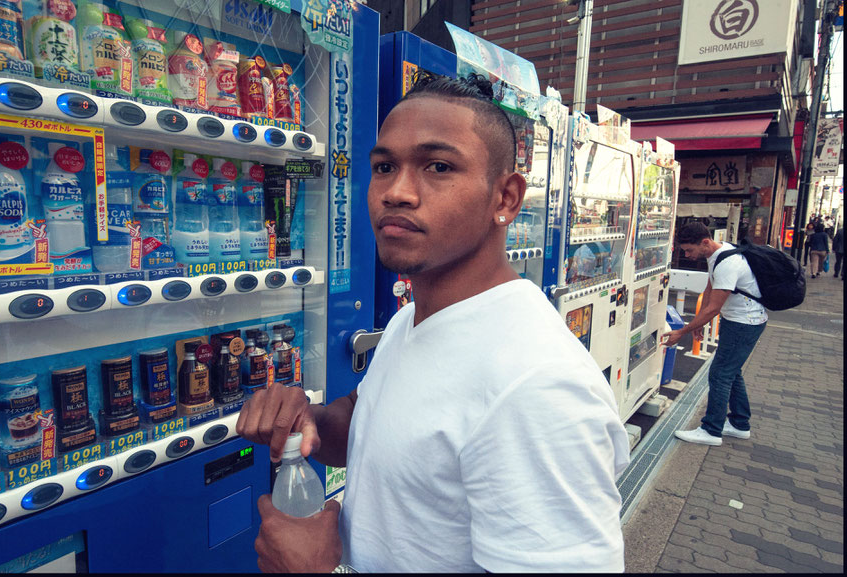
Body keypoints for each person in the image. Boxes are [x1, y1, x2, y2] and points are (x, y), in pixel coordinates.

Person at [236, 73, 630, 573]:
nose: (396, 192)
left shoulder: (536, 385)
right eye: (384, 166)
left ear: (505, 198)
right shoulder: (412, 321)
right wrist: (305, 421)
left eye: (438, 166)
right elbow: (370, 419)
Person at [663, 222, 767, 446]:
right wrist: (698, 322)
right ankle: (740, 423)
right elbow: (709, 290)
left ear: (705, 242)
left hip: (744, 323)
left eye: (689, 250)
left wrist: (683, 331)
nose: (688, 256)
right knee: (731, 372)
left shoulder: (728, 263)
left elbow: (714, 307)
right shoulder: (719, 254)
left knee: (720, 374)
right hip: (740, 321)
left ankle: (711, 430)